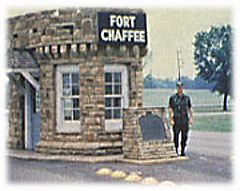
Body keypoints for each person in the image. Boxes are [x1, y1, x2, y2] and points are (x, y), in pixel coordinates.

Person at [168, 81, 193, 156]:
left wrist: (191, 118)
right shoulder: (173, 98)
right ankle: (176, 150)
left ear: (183, 88)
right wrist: (171, 119)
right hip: (176, 119)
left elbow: (190, 108)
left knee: (184, 136)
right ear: (176, 88)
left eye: (181, 87)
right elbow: (170, 109)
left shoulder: (186, 98)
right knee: (176, 136)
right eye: (178, 87)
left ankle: (183, 150)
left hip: (184, 119)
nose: (180, 89)